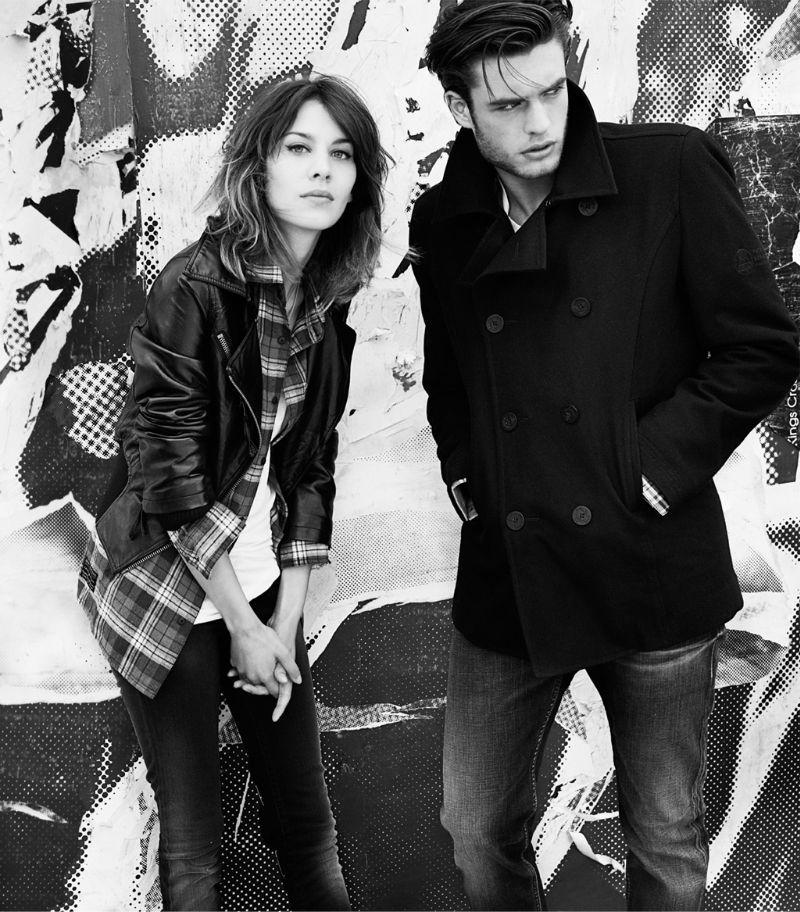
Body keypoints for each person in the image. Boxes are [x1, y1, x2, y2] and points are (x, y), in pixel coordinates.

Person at [410, 2, 799, 909]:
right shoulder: (446, 219)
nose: (541, 121)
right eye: (508, 105)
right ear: (460, 108)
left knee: (664, 831)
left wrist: (649, 473)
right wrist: (471, 483)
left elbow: (761, 347)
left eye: (553, 90)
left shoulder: (669, 169)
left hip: (652, 567)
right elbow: (449, 383)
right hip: (513, 570)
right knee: (475, 827)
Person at [78, 75, 389, 911]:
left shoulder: (326, 303)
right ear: (259, 166)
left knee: (308, 827)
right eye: (299, 148)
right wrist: (244, 630)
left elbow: (310, 468)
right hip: (166, 582)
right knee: (194, 847)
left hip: (258, 587)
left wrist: (281, 626)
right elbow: (170, 475)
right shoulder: (194, 285)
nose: (322, 170)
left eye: (342, 155)